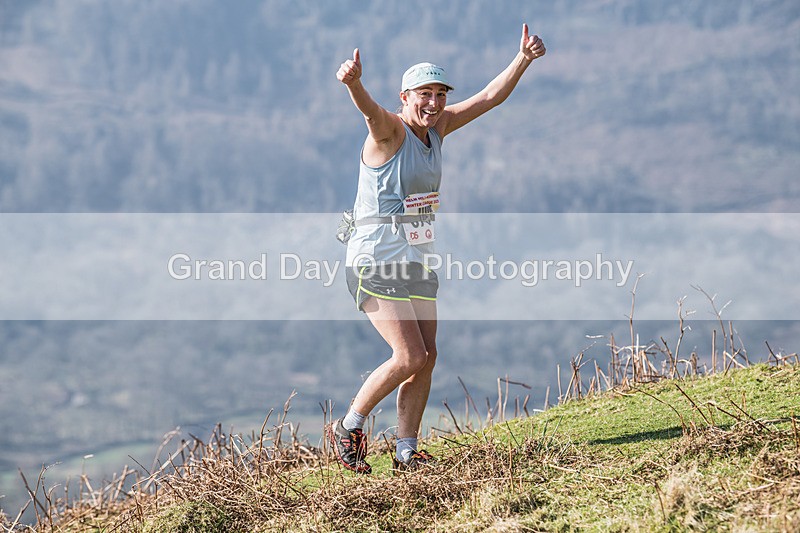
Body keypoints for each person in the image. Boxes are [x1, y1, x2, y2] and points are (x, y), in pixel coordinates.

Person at [329, 24, 546, 474]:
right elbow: (369, 114)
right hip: (375, 258)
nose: (433, 103)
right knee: (409, 356)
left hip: (416, 257)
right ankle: (348, 426)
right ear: (404, 97)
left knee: (427, 358)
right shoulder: (390, 131)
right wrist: (354, 84)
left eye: (440, 94)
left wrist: (523, 59)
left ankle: (406, 451)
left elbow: (489, 98)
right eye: (424, 95)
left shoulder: (439, 127)